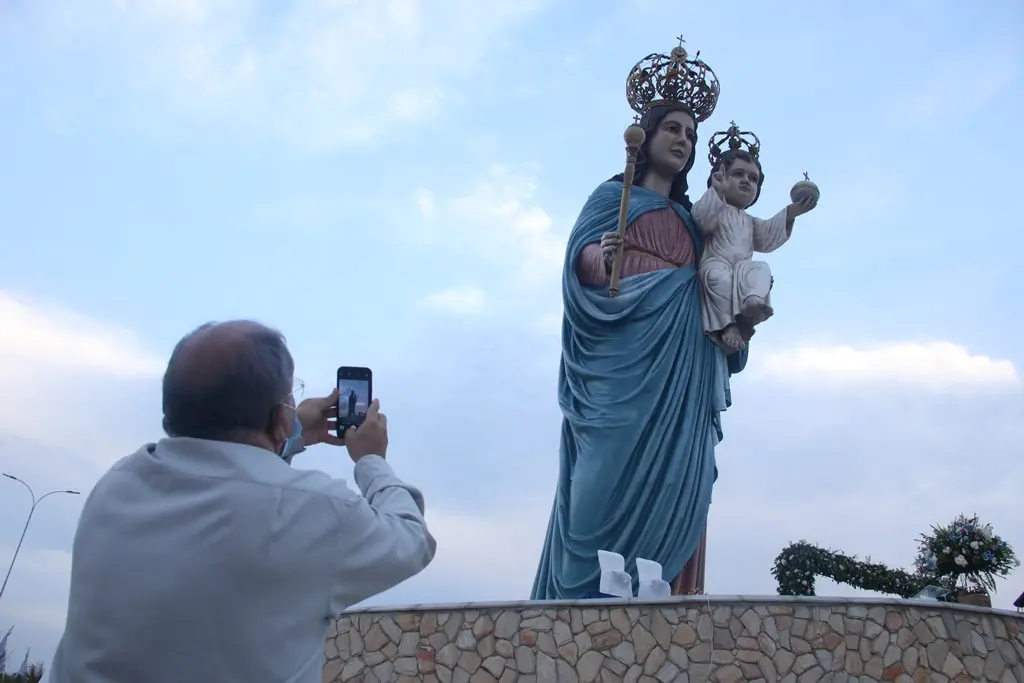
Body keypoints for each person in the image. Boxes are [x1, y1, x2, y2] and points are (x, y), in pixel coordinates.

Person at [49, 320, 436, 683]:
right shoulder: (315, 511)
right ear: (278, 415)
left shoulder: (114, 487)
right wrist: (370, 460)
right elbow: (410, 538)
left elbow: (236, 483)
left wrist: (290, 431)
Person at [531, 99, 746, 599]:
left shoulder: (697, 221)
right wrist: (600, 259)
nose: (682, 140)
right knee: (596, 479)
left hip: (683, 370)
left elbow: (721, 287)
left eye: (691, 135)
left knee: (677, 483)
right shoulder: (614, 197)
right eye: (672, 128)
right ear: (645, 136)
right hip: (621, 367)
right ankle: (573, 605)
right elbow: (580, 263)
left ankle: (658, 597)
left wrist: (737, 319)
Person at [691, 137, 817, 352]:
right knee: (716, 277)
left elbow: (767, 238)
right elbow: (701, 221)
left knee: (761, 268)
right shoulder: (714, 206)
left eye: (753, 178)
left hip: (742, 270)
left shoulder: (749, 222)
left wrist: (791, 212)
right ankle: (727, 325)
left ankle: (752, 302)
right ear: (720, 177)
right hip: (716, 263)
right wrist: (716, 192)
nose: (746, 181)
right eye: (738, 174)